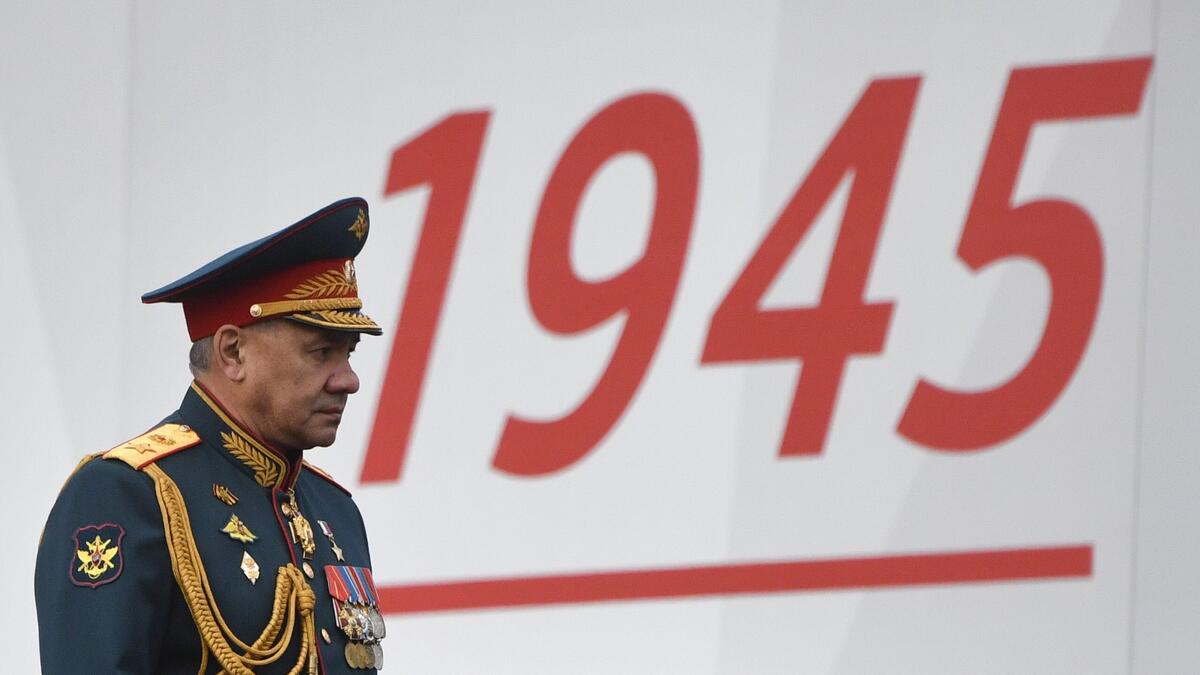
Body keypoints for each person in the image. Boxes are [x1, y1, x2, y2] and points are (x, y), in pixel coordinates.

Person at [35, 197, 388, 673]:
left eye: (349, 353)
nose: (348, 379)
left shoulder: (335, 509)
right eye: (322, 351)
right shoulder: (128, 494)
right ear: (233, 352)